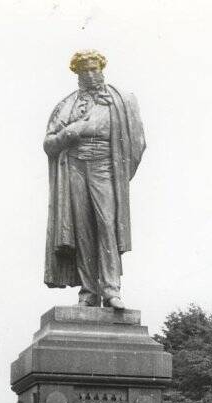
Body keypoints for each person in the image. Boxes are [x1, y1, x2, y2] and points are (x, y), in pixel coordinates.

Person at [43, 49, 145, 308]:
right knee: (83, 230)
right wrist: (67, 135)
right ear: (76, 73)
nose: (90, 74)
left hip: (106, 167)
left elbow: (138, 143)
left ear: (102, 68)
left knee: (106, 226)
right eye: (84, 70)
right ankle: (89, 291)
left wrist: (121, 176)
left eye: (94, 69)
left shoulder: (122, 100)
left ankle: (111, 290)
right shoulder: (66, 105)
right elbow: (48, 143)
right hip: (75, 167)